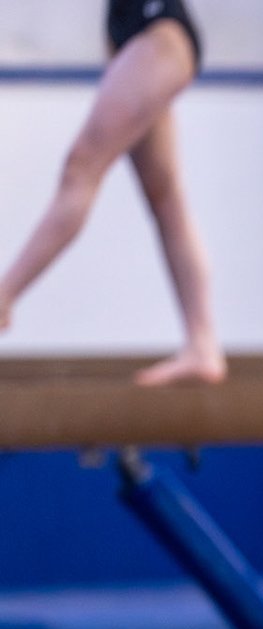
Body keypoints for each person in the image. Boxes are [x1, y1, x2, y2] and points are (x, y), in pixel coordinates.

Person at [0, 0, 225, 386]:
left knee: (80, 168)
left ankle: (5, 295)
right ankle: (202, 345)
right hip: (132, 36)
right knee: (165, 196)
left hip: (159, 34)